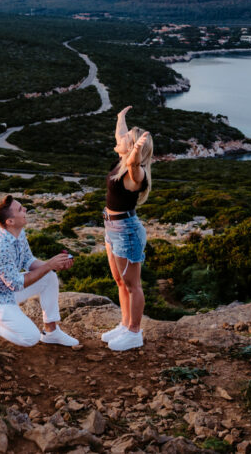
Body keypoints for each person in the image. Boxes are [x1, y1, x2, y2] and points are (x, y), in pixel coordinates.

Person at [0, 194, 79, 348]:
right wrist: (48, 265)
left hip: (6, 290)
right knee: (30, 338)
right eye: (20, 209)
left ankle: (51, 332)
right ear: (10, 221)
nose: (25, 209)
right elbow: (17, 284)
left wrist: (54, 265)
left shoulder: (19, 233)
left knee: (50, 276)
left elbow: (28, 261)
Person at [101, 105, 154, 351]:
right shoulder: (121, 161)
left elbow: (134, 161)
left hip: (126, 231)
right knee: (120, 282)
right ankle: (124, 324)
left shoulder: (136, 174)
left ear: (134, 149)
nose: (119, 139)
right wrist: (121, 118)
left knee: (133, 285)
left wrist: (136, 148)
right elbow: (120, 140)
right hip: (111, 228)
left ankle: (134, 332)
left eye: (126, 140)